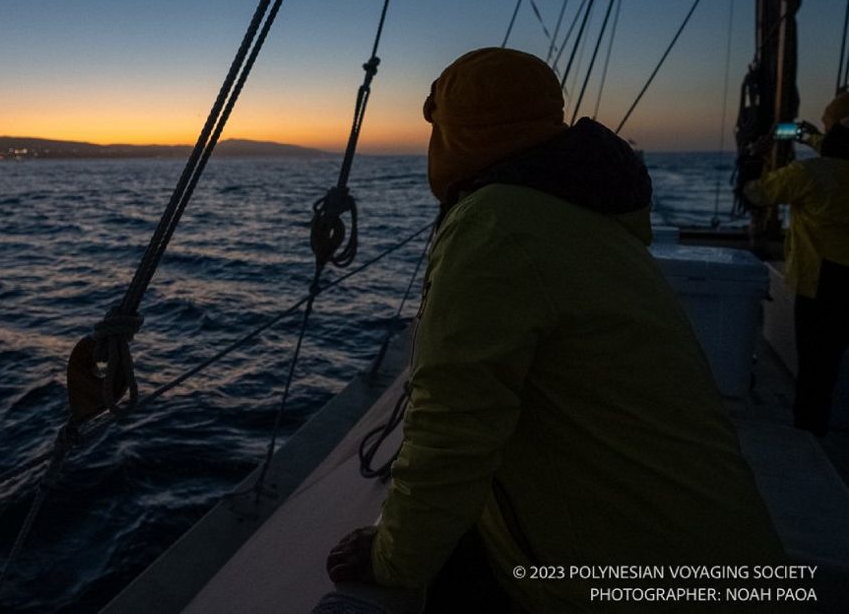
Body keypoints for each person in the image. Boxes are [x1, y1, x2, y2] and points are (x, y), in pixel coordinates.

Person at [326, 48, 792, 612]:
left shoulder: (495, 223)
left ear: (457, 133)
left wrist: (393, 558)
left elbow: (453, 429)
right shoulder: (587, 215)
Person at [744, 91, 849, 437]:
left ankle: (808, 431)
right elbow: (837, 149)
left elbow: (757, 192)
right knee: (832, 360)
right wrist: (807, 136)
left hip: (820, 280)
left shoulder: (811, 174)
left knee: (815, 363)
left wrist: (753, 158)